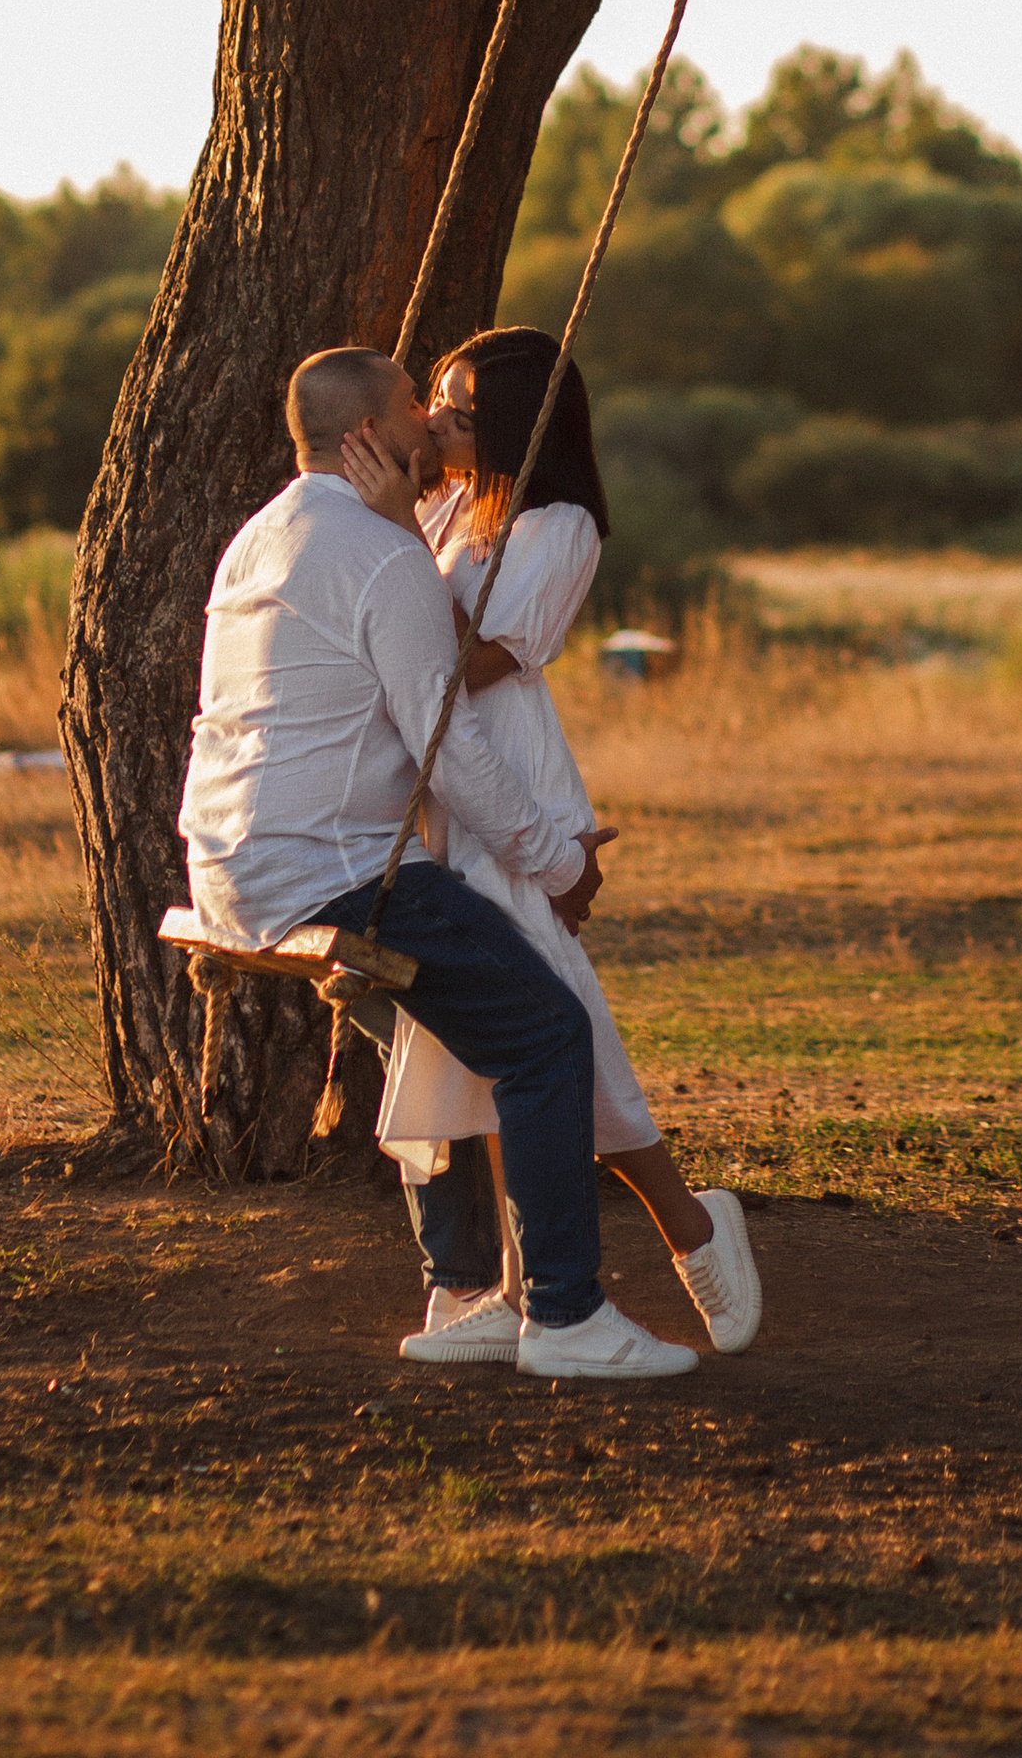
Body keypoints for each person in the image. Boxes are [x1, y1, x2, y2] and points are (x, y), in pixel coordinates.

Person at [178, 342, 699, 1383]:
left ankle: (474, 1293)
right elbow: (447, 741)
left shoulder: (266, 533)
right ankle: (565, 1316)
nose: (433, 424)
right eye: (419, 406)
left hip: (232, 863)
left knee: (480, 1019)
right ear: (371, 433)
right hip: (333, 872)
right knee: (546, 1030)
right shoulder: (384, 555)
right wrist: (557, 862)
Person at [340, 326, 762, 1363]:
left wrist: (395, 540)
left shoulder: (556, 525)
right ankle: (530, 1291)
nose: (433, 420)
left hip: (508, 790)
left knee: (557, 1027)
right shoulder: (441, 510)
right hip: (446, 802)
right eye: (431, 397)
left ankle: (692, 1228)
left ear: (518, 427)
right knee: (490, 1045)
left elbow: (471, 664)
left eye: (459, 409)